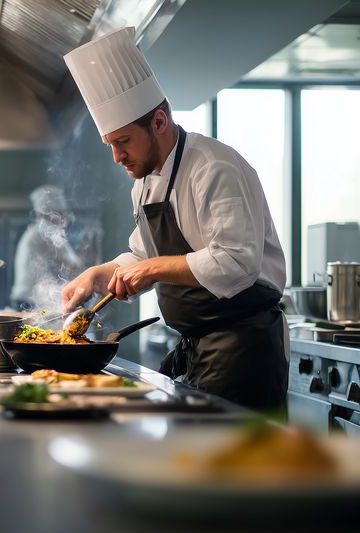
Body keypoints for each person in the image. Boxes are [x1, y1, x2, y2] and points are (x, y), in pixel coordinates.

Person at [60, 27, 288, 410]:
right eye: (110, 145)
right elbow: (142, 254)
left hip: (243, 351)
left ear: (160, 122)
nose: (117, 157)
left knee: (240, 466)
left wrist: (150, 270)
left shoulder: (214, 167)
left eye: (123, 142)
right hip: (198, 349)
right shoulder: (145, 183)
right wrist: (99, 274)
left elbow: (236, 263)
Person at [10, 185, 85, 310]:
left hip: (23, 299)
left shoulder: (35, 231)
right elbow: (72, 265)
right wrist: (87, 253)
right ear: (50, 213)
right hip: (30, 302)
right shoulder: (47, 230)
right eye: (61, 212)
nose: (65, 216)